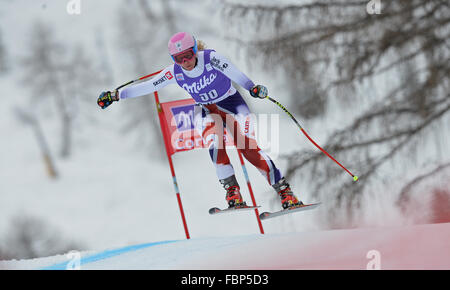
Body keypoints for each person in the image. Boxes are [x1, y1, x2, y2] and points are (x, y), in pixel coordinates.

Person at [97, 32, 303, 209]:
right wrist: (116, 95)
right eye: (179, 58)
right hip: (206, 110)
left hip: (232, 104)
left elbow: (235, 73)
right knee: (215, 145)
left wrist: (252, 87)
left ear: (195, 50)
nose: (185, 61)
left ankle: (285, 193)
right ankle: (233, 192)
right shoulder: (173, 72)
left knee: (248, 147)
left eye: (188, 55)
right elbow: (148, 86)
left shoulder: (211, 58)